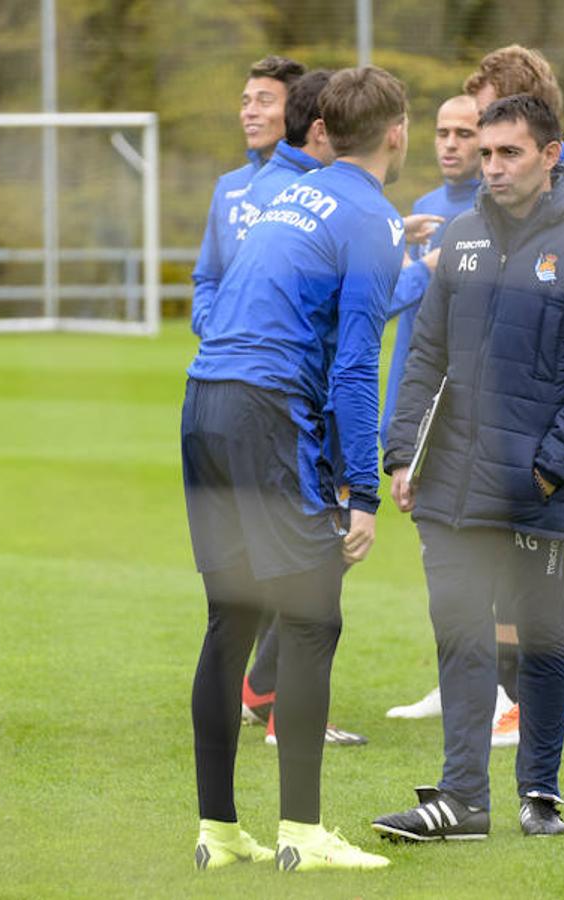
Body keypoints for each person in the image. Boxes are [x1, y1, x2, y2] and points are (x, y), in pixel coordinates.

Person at [372, 94, 564, 841]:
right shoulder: (458, 239)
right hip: (452, 487)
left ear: (551, 156)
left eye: (508, 153)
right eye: (485, 154)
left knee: (546, 642)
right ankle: (462, 799)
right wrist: (403, 451)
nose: (491, 167)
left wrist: (549, 470)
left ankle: (541, 793)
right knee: (462, 639)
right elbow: (425, 353)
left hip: (537, 490)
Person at [184, 65, 410, 872]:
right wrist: (363, 490)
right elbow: (354, 369)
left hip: (204, 402)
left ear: (318, 131)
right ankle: (304, 833)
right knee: (315, 617)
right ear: (397, 134)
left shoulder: (281, 197)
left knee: (232, 618)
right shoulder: (371, 218)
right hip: (266, 413)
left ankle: (218, 830)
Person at [462, 44, 564, 745]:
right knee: (525, 556)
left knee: (544, 554)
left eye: (488, 107)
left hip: (548, 404)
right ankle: (536, 694)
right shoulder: (515, 182)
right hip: (512, 400)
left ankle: (558, 698)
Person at [229, 68, 370, 748]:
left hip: (247, 393)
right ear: (319, 129)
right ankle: (287, 712)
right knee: (318, 551)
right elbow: (346, 330)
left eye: (264, 99)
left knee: (301, 553)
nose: (251, 111)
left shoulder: (269, 191)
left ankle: (261, 686)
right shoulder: (305, 196)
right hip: (297, 403)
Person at [380, 94, 501, 722]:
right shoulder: (423, 211)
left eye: (464, 132)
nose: (450, 143)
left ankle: (501, 691)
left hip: (470, 413)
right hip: (417, 405)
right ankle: (455, 682)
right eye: (442, 132)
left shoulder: (496, 207)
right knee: (439, 561)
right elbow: (397, 307)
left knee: (483, 552)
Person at [189, 55, 306, 337]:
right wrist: (210, 326)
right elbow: (208, 277)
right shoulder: (228, 187)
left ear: (295, 112)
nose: (249, 112)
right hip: (226, 361)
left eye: (264, 101)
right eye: (245, 102)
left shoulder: (314, 185)